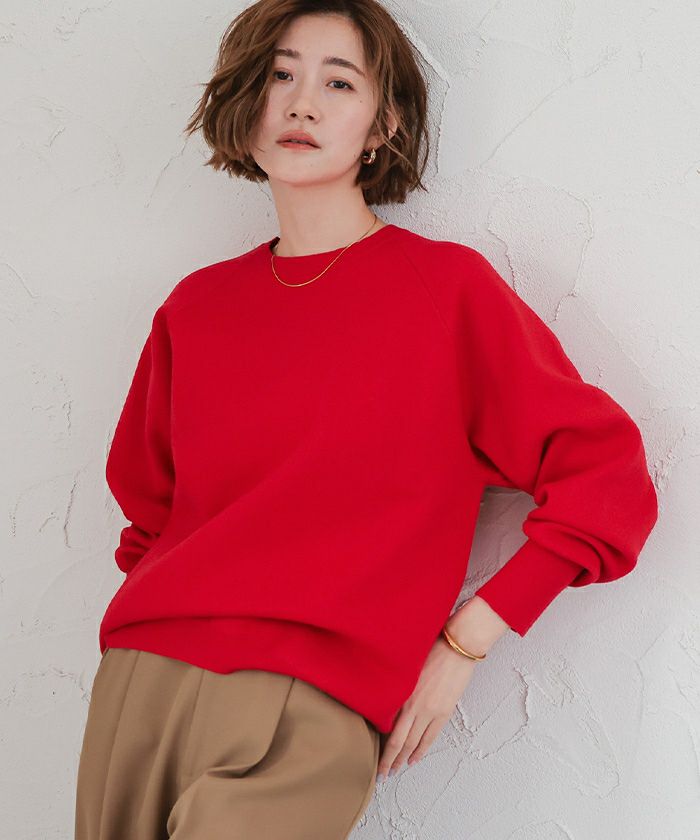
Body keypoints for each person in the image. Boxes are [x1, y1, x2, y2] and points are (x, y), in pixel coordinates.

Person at [74, 1, 659, 838]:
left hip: (310, 704)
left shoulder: (445, 293)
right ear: (246, 102)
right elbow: (150, 518)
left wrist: (465, 642)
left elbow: (607, 477)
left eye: (339, 83)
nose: (301, 102)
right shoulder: (195, 308)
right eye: (280, 75)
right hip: (141, 683)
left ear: (384, 125)